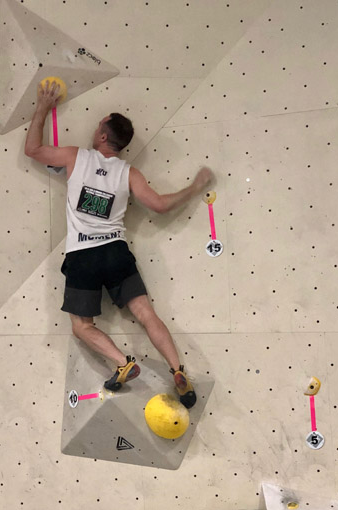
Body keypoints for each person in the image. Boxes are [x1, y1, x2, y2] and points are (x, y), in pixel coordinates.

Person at [24, 80, 212, 408]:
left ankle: (122, 363)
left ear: (101, 136)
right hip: (115, 252)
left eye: (98, 126)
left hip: (82, 256)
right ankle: (178, 369)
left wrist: (42, 106)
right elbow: (160, 205)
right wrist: (194, 188)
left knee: (81, 326)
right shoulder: (129, 172)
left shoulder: (74, 157)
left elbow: (33, 150)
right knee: (146, 314)